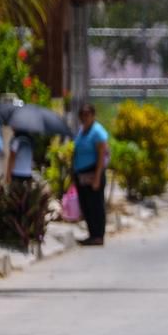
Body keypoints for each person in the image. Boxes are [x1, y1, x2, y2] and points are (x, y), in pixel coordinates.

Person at [73, 104, 110, 246]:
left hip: (94, 172)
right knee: (86, 205)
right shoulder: (81, 130)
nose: (84, 117)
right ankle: (92, 234)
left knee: (96, 205)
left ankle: (98, 235)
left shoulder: (97, 132)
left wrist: (97, 177)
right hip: (81, 174)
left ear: (93, 115)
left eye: (87, 114)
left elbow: (101, 155)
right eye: (82, 114)